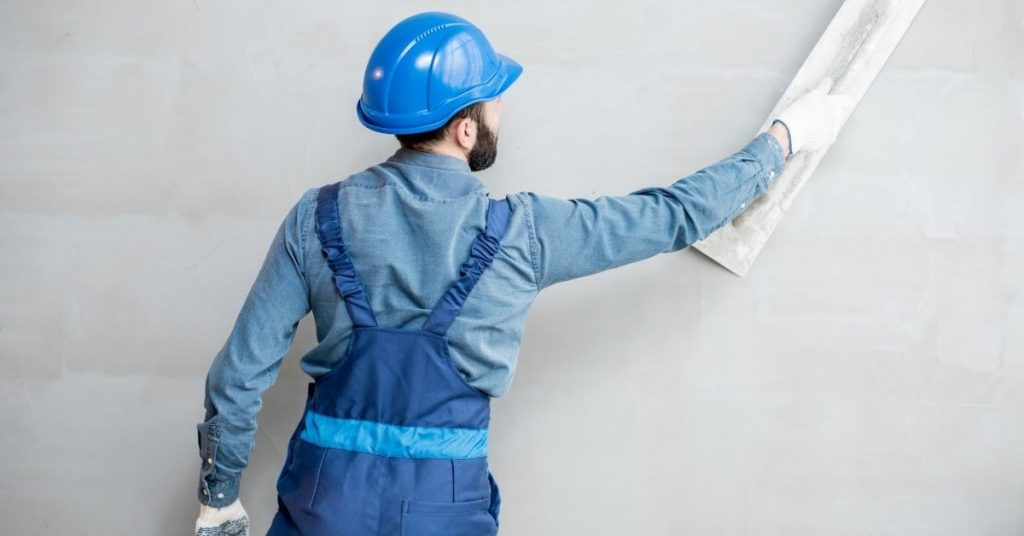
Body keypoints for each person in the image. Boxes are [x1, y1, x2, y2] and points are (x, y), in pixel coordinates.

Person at [193, 10, 855, 536]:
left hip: (322, 506)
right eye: (491, 100)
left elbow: (237, 376)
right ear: (461, 129)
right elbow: (672, 215)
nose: (501, 108)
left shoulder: (316, 218)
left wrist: (219, 502)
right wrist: (783, 142)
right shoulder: (525, 235)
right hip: (443, 516)